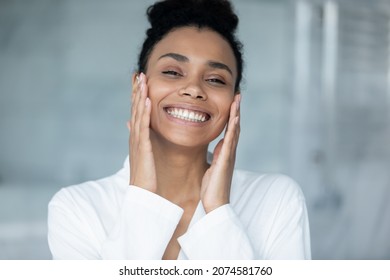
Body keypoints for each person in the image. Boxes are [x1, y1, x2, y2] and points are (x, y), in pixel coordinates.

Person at [48, 0, 311, 260]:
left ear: (234, 100)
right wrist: (141, 195)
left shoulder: (276, 199)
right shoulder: (77, 209)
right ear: (138, 86)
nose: (194, 89)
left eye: (215, 79)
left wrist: (218, 209)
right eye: (173, 72)